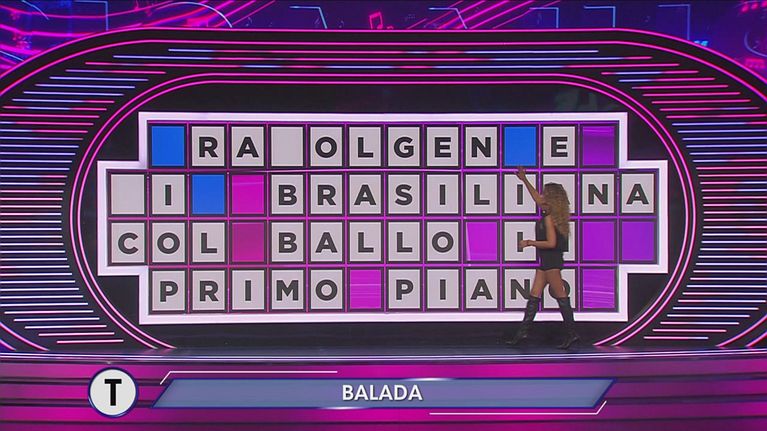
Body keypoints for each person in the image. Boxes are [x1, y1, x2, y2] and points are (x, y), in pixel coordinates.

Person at [506, 166, 579, 349]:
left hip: (552, 262)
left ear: (551, 198)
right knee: (534, 296)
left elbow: (551, 243)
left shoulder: (549, 218)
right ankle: (522, 333)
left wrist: (529, 242)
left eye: (545, 194)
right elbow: (537, 198)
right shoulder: (553, 214)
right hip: (546, 262)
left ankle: (572, 333)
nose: (542, 196)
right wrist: (524, 179)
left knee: (561, 297)